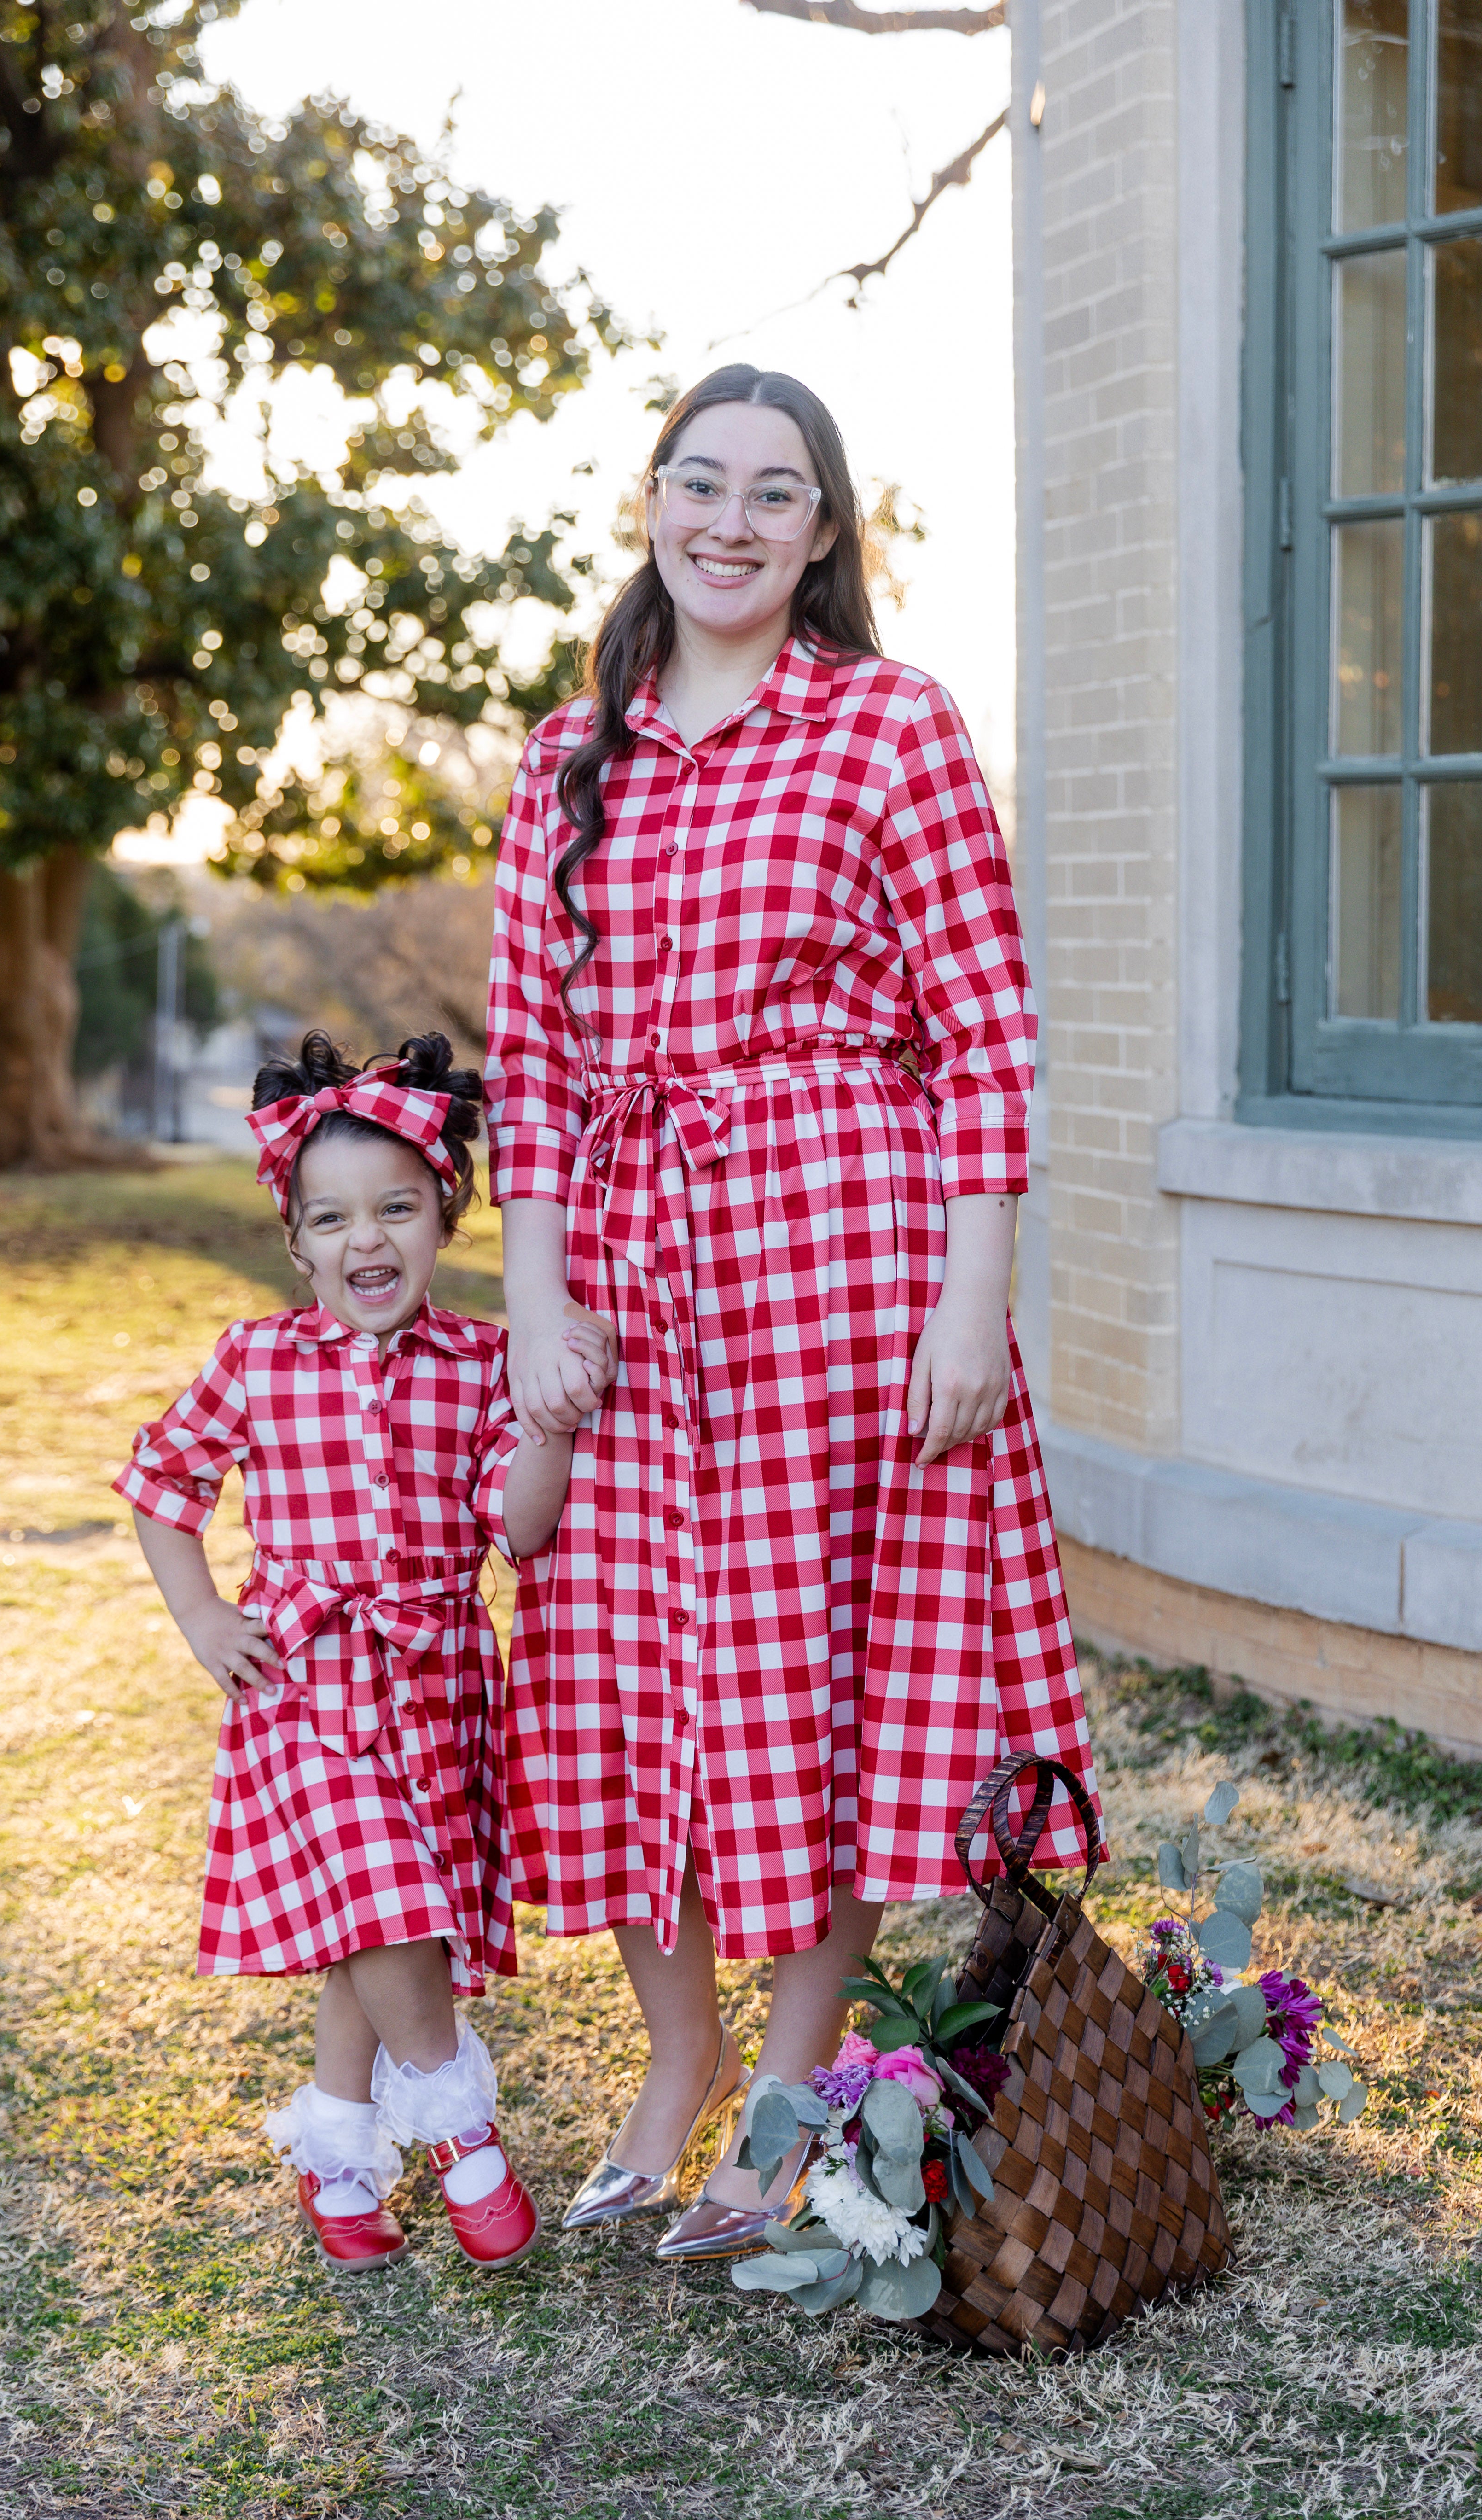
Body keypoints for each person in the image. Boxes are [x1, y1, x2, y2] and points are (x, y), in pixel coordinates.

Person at [487, 365, 1103, 2261]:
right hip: (630, 1281)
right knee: (609, 1670)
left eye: (776, 495)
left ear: (825, 535)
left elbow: (986, 1033)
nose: (732, 523)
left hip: (841, 1254)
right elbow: (526, 1058)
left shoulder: (891, 727)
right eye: (701, 484)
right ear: (652, 505)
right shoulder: (566, 759)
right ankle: (666, 2072)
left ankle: (780, 2094)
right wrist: (534, 1307)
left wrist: (967, 1296)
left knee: (808, 1685)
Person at [115, 1030, 613, 2273]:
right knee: (383, 1897)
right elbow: (161, 1484)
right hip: (306, 1684)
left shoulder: (483, 1360)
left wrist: (550, 1416)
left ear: (447, 1213)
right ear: (297, 1245)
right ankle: (461, 2125)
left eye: (397, 1208)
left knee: (381, 1930)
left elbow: (522, 1525)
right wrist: (204, 1620)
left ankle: (335, 2162)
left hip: (438, 1684)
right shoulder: (259, 1359)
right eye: (332, 1220)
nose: (366, 1242)